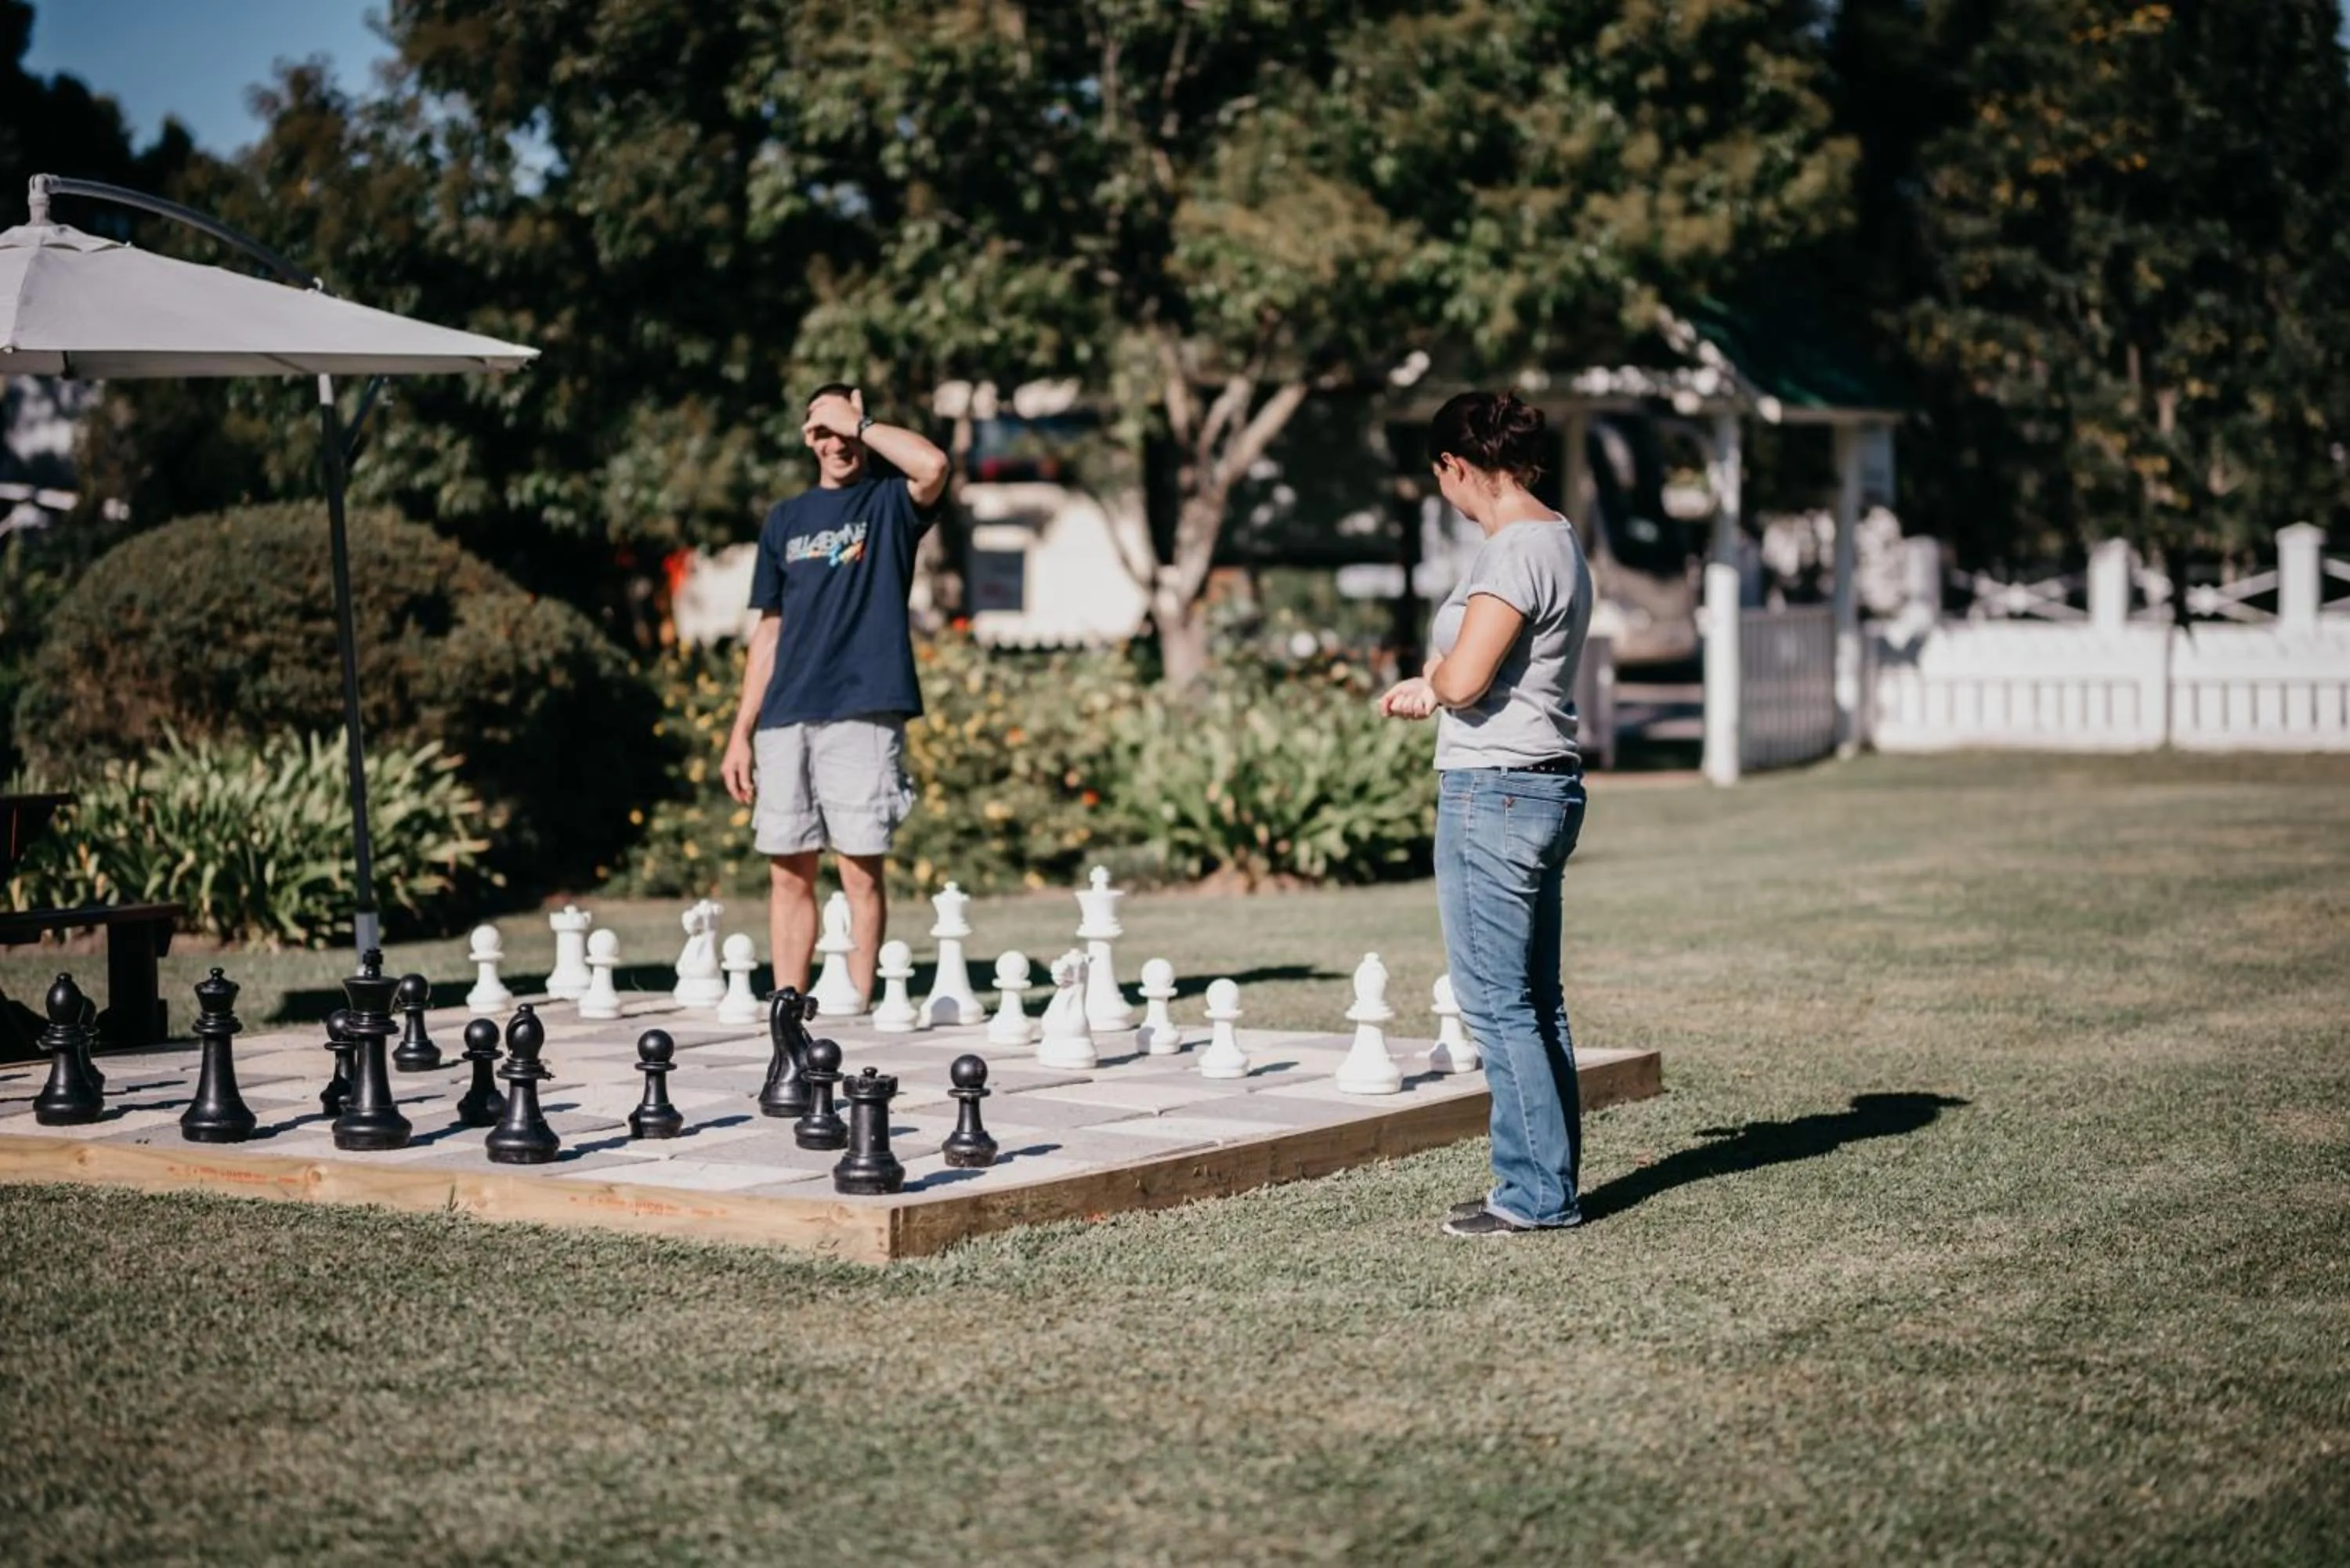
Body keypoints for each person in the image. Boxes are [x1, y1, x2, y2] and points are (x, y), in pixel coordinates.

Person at [1379, 391, 1594, 1237]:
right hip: (1541, 781)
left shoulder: (1511, 552)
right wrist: (1435, 675)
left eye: (1445, 482)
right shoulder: (1559, 537)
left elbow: (1466, 681)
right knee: (1536, 999)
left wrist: (1434, 685)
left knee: (1498, 1001)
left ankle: (1535, 1195)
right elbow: (1476, 660)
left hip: (1494, 789)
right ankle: (1548, 1183)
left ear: (1455, 466)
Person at [721, 383, 951, 1006]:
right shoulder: (786, 520)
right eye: (821, 432)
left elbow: (933, 465)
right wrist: (740, 730)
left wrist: (861, 419)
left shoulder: (888, 504)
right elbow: (768, 630)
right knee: (788, 869)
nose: (836, 443)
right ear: (808, 441)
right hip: (785, 714)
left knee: (859, 864)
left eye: (844, 431)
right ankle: (789, 1011)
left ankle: (853, 1000)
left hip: (863, 706)